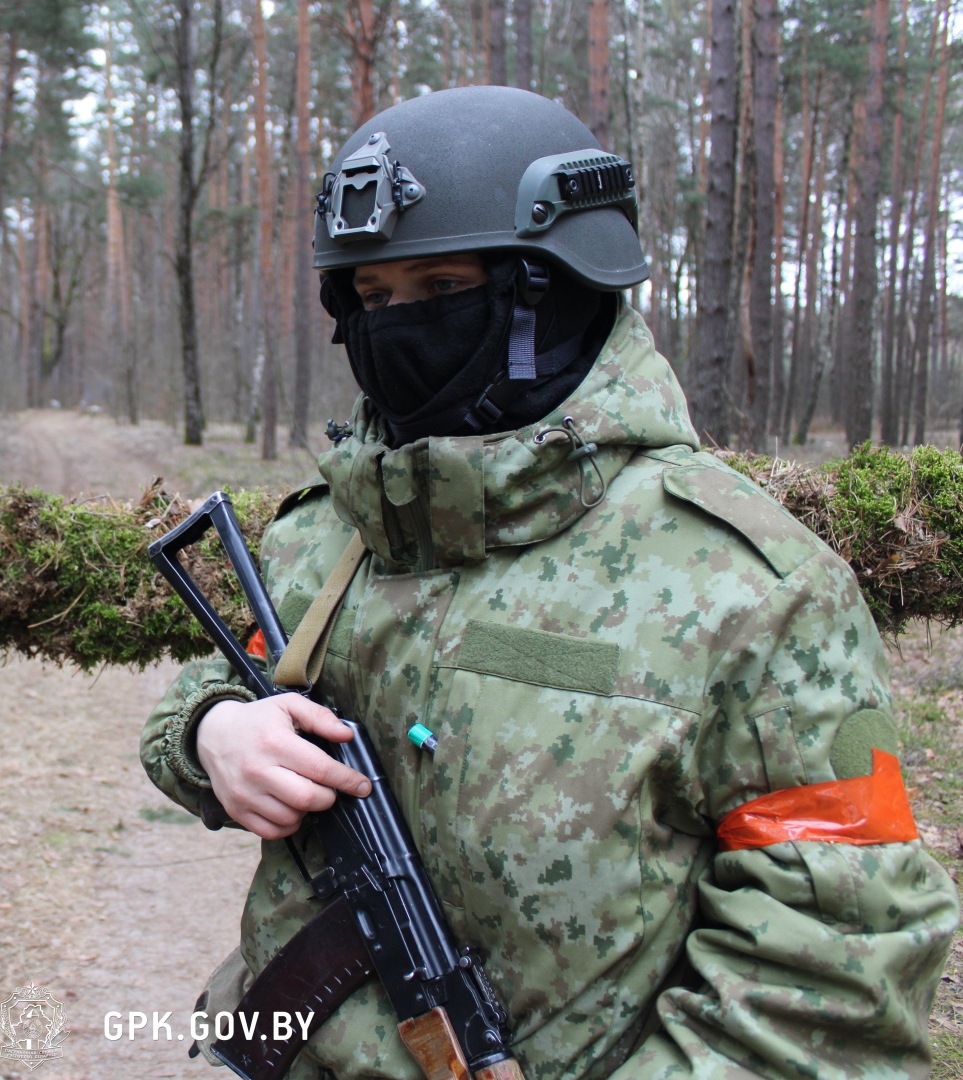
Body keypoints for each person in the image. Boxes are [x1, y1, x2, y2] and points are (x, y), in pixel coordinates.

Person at [140, 86, 959, 1080]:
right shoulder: (334, 532)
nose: (399, 326)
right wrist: (212, 734)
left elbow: (839, 972)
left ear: (554, 292)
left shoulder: (750, 585)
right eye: (375, 299)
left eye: (441, 285)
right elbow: (228, 685)